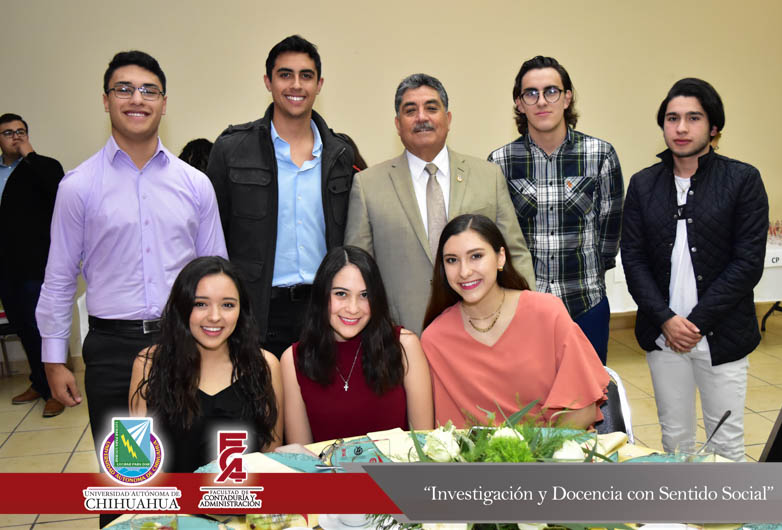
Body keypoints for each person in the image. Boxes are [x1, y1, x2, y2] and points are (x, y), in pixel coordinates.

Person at [36, 51, 227, 459]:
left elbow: (217, 276)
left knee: (190, 464)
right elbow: (59, 278)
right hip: (113, 353)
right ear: (106, 100)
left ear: (164, 102)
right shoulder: (78, 187)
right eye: (124, 89)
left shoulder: (195, 185)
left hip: (185, 343)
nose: (137, 99)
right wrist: (53, 360)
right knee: (131, 473)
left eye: (149, 90)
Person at [621, 78, 768, 461]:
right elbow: (633, 259)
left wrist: (695, 323)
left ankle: (726, 505)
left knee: (725, 444)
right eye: (672, 118)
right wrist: (667, 320)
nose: (681, 128)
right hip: (663, 337)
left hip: (723, 334)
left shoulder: (742, 180)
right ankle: (684, 503)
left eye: (693, 118)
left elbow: (747, 263)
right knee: (675, 442)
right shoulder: (643, 184)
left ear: (714, 126)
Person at [345, 73, 534, 336]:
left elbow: (515, 253)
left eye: (432, 108)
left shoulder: (488, 176)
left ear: (448, 119)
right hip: (401, 336)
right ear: (398, 124)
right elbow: (356, 273)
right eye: (410, 110)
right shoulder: (368, 186)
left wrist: (526, 317)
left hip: (484, 331)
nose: (421, 117)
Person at [207, 35, 356, 357]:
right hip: (257, 312)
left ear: (319, 84)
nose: (296, 85)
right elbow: (213, 239)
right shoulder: (232, 150)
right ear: (268, 81)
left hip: (325, 311)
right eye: (285, 74)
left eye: (306, 76)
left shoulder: (341, 154)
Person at [488, 56, 624, 364]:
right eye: (531, 93)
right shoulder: (500, 162)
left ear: (567, 97)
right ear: (519, 103)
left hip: (585, 304)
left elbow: (609, 237)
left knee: (589, 393)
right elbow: (498, 238)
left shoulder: (600, 155)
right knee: (528, 392)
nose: (541, 101)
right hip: (524, 309)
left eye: (551, 91)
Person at [422, 214, 608, 428]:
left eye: (476, 256)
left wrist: (536, 449)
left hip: (553, 446)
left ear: (500, 257)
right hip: (474, 451)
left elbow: (582, 409)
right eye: (452, 260)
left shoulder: (547, 313)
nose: (464, 271)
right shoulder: (436, 339)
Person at [129, 256, 282, 472]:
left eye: (227, 305)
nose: (215, 316)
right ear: (181, 306)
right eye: (200, 304)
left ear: (242, 310)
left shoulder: (265, 365)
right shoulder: (148, 365)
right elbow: (135, 466)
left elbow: (271, 461)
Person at [280, 246, 433, 443]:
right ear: (321, 295)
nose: (353, 308)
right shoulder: (293, 359)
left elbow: (424, 444)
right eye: (341, 294)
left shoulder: (405, 346)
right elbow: (302, 455)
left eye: (364, 295)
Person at [0, 113, 65, 417]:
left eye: (21, 131)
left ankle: (56, 391)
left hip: (35, 264)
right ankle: (38, 383)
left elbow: (57, 190)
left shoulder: (42, 166)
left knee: (42, 327)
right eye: (8, 132)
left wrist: (30, 154)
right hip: (6, 266)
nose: (15, 136)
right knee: (22, 326)